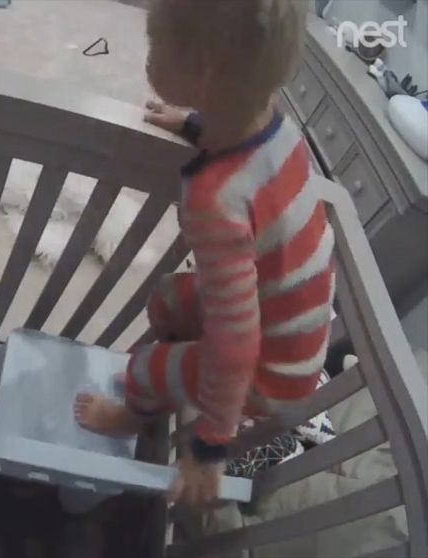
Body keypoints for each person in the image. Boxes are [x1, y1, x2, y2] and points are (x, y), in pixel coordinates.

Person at [74, 0, 334, 508]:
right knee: (171, 296)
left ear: (205, 76)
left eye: (155, 46)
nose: (147, 57)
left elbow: (236, 342)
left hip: (271, 373)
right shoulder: (275, 126)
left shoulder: (215, 199)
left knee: (145, 367)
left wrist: (211, 442)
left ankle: (133, 416)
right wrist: (193, 124)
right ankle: (182, 367)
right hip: (290, 329)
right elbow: (231, 130)